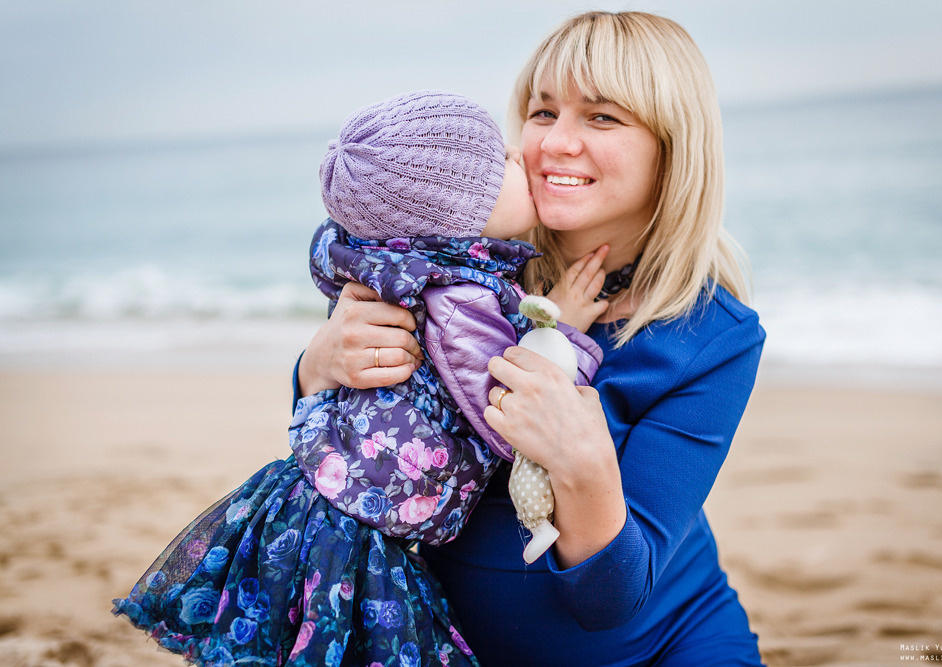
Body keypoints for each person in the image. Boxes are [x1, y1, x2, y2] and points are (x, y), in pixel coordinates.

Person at [295, 11, 767, 667]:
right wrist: (315, 367)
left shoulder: (715, 335)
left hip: (664, 645)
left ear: (672, 147)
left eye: (601, 117)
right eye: (543, 113)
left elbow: (611, 598)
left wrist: (587, 466)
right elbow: (350, 450)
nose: (553, 144)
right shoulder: (455, 268)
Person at [112, 90, 607, 667]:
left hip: (322, 499)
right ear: (458, 217)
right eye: (502, 162)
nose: (524, 157)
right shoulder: (458, 303)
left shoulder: (384, 261)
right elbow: (508, 415)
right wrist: (561, 332)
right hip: (360, 536)